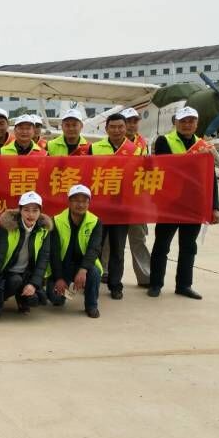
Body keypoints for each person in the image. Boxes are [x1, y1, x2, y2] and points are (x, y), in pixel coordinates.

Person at [148, 106, 219, 299]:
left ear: (197, 124)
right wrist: (195, 158)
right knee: (162, 245)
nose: (187, 125)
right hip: (170, 204)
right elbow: (167, 168)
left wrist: (215, 207)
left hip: (194, 205)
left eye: (191, 121)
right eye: (183, 121)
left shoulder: (203, 145)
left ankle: (184, 285)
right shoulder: (164, 141)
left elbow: (210, 178)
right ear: (176, 123)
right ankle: (155, 284)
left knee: (189, 247)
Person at [0, 191, 52, 319]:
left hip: (27, 274)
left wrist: (33, 284)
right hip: (7, 274)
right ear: (20, 210)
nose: (31, 215)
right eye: (26, 210)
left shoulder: (44, 230)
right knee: (14, 281)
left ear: (40, 211)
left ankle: (22, 300)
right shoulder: (8, 228)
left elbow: (43, 260)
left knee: (36, 299)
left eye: (35, 210)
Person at [88, 113, 137, 299]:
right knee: (95, 247)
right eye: (113, 127)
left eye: (120, 127)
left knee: (118, 248)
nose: (117, 130)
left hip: (122, 208)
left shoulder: (135, 150)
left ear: (126, 128)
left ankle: (115, 285)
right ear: (106, 129)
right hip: (99, 207)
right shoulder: (94, 148)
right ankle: (92, 281)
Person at [48, 184, 103, 318]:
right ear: (69, 202)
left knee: (94, 272)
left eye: (85, 201)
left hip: (84, 266)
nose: (81, 204)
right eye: (76, 201)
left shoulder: (95, 222)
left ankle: (91, 305)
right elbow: (54, 253)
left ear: (89, 203)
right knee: (56, 300)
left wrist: (83, 270)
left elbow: (94, 249)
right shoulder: (56, 221)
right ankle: (62, 288)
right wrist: (59, 278)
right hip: (63, 266)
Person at [118, 107, 151, 286]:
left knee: (138, 239)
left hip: (137, 200)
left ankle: (145, 276)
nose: (131, 125)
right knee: (111, 241)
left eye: (134, 121)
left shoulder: (143, 144)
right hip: (115, 198)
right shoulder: (112, 143)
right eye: (128, 122)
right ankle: (107, 275)